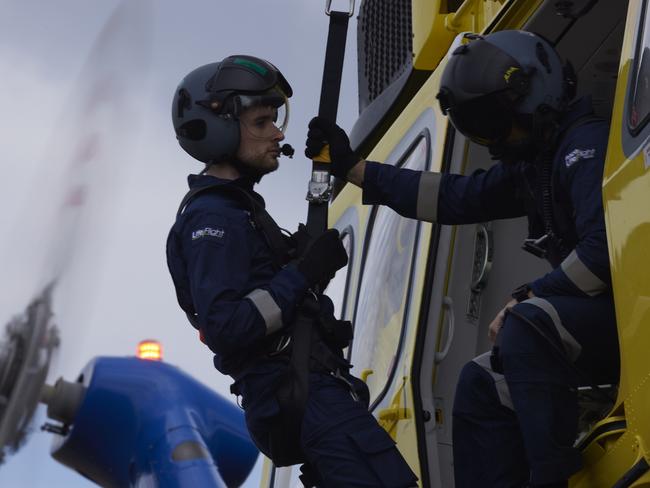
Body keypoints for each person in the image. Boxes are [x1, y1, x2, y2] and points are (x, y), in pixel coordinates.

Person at [305, 31, 619, 488]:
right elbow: (453, 197)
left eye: (498, 124)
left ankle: (553, 479)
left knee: (527, 325)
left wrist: (528, 295)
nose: (496, 140)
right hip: (600, 326)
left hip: (628, 314)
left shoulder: (583, 147)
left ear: (535, 96)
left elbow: (603, 252)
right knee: (479, 380)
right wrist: (355, 168)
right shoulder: (540, 163)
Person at [166, 55, 418, 488]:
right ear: (220, 128)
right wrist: (302, 272)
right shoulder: (216, 219)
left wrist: (297, 265)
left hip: (314, 392)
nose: (278, 133)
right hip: (307, 398)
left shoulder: (240, 212)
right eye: (262, 122)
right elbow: (227, 325)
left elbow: (265, 302)